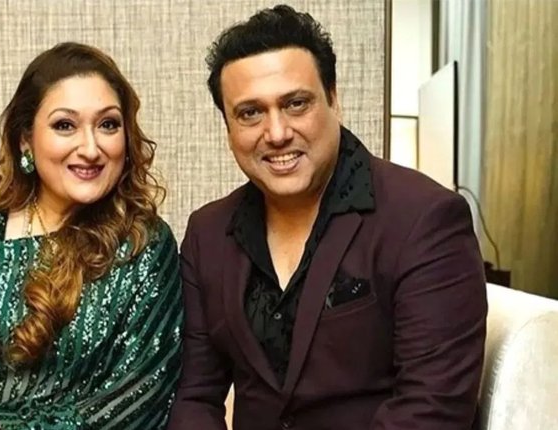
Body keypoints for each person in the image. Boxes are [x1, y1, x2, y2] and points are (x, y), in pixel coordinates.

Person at [168, 5, 487, 430]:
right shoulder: (207, 234)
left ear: (334, 99)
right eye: (250, 113)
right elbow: (194, 397)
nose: (277, 133)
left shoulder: (424, 218)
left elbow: (432, 409)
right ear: (227, 126)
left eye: (296, 104)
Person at [0, 42, 183, 430]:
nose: (91, 148)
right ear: (25, 139)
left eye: (108, 124)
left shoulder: (144, 243)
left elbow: (138, 395)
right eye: (65, 125)